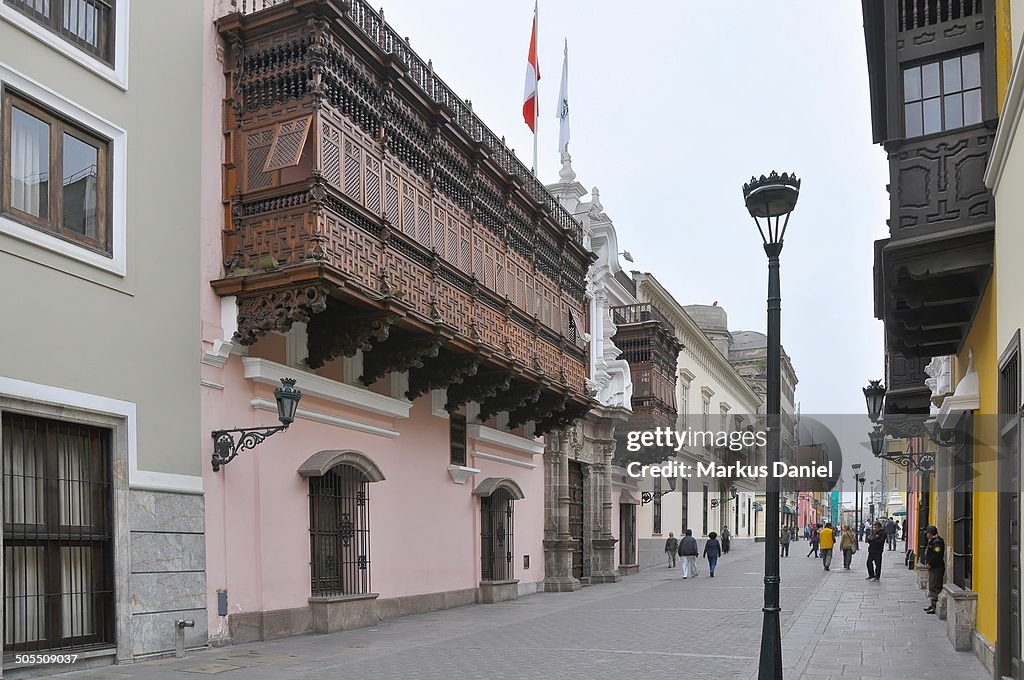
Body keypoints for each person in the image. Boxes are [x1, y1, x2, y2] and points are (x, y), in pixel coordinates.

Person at [923, 525, 946, 613]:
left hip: (936, 568)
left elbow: (937, 555)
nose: (926, 535)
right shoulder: (933, 541)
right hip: (933, 567)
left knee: (935, 586)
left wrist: (930, 563)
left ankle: (935, 606)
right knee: (932, 586)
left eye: (927, 533)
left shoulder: (937, 542)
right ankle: (933, 604)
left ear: (930, 533)